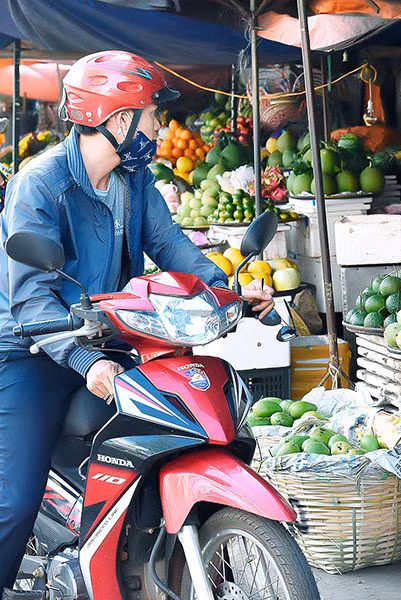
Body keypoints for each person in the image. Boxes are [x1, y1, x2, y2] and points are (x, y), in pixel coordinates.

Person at [0, 51, 274, 591]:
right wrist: (86, 361)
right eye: (151, 112)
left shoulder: (134, 179)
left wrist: (228, 292)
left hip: (108, 337)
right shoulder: (41, 185)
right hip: (32, 349)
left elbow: (171, 245)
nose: (160, 125)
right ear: (119, 119)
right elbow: (31, 300)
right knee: (14, 496)